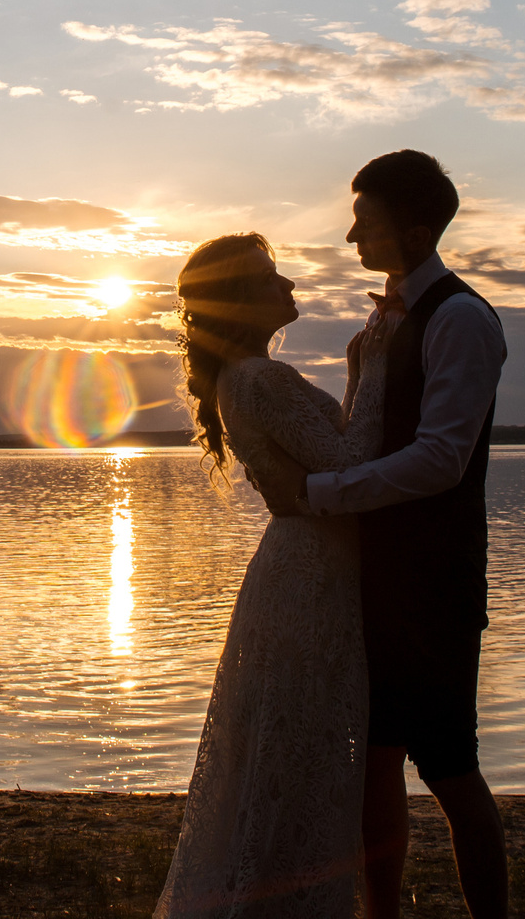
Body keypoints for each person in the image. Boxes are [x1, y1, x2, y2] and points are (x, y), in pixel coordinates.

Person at [252, 150, 510, 919]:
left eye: (364, 221)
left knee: (451, 765)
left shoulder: (461, 319)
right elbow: (365, 435)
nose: (350, 236)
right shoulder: (384, 317)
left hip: (433, 581)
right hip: (371, 576)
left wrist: (315, 495)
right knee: (374, 759)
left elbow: (440, 459)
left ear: (415, 232)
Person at [151, 233, 375, 919]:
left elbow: (328, 461)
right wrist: (370, 370)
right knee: (299, 751)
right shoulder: (258, 379)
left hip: (301, 566)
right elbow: (350, 463)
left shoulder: (243, 377)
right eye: (270, 276)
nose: (289, 285)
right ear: (241, 300)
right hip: (307, 576)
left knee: (289, 752)